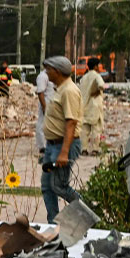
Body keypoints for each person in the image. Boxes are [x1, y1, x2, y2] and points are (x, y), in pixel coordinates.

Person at [39, 56, 82, 223]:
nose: (46, 73)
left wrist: (64, 152)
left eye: (48, 70)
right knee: (47, 187)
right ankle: (54, 224)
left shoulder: (69, 91)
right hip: (52, 146)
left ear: (57, 71)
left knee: (59, 186)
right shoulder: (61, 89)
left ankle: (87, 210)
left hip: (63, 146)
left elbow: (71, 122)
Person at [78, 57, 108, 154]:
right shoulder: (96, 76)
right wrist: (97, 90)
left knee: (84, 130)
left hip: (84, 106)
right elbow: (102, 85)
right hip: (95, 106)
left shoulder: (84, 77)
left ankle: (84, 149)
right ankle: (95, 149)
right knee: (96, 129)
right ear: (95, 66)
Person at [34, 66, 52, 151]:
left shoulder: (51, 75)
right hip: (46, 103)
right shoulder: (43, 76)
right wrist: (44, 106)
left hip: (52, 104)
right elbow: (40, 92)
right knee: (41, 124)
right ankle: (41, 146)